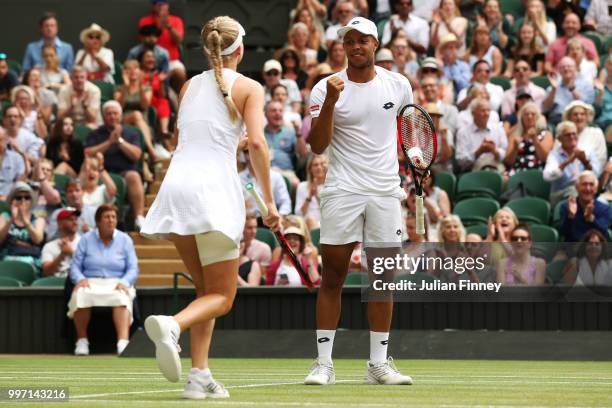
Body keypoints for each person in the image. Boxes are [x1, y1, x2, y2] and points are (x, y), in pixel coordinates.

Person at [140, 16, 280, 399]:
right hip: (213, 193)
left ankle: (199, 375)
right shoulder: (250, 87)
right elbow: (258, 145)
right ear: (241, 50)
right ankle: (172, 324)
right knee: (224, 296)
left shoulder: (187, 87)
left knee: (205, 290)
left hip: (176, 189)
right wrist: (269, 202)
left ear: (208, 49)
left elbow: (198, 135)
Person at [305, 16, 413, 386]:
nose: (355, 46)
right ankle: (323, 364)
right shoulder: (324, 89)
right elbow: (317, 145)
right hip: (342, 190)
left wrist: (417, 163)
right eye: (349, 41)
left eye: (362, 40)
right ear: (343, 47)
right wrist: (333, 101)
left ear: (375, 44)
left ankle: (378, 365)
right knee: (332, 276)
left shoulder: (398, 85)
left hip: (385, 190)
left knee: (383, 279)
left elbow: (410, 132)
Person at [68, 204, 138, 356]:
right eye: (107, 217)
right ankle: (82, 341)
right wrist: (80, 279)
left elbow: (133, 268)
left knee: (121, 297)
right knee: (80, 295)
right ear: (98, 221)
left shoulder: (125, 239)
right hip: (90, 281)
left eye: (113, 217)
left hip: (117, 282)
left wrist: (124, 282)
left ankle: (123, 342)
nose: (111, 220)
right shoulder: (86, 239)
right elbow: (74, 266)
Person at [84, 101, 146, 229]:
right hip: (101, 172)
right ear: (104, 116)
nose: (112, 116)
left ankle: (139, 218)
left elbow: (136, 155)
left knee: (134, 176)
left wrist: (119, 141)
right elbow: (88, 152)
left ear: (121, 115)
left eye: (115, 113)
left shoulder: (131, 132)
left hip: (125, 171)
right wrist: (109, 142)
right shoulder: (96, 133)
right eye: (108, 114)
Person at [544, 121, 598, 206]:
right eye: (567, 135)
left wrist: (585, 161)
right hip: (561, 193)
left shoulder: (587, 151)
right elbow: (547, 176)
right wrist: (568, 161)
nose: (572, 137)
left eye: (574, 134)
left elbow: (596, 175)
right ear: (559, 138)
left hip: (585, 191)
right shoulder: (554, 155)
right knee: (574, 192)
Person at [138, 0, 187, 93]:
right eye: (157, 4)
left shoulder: (176, 20)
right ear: (153, 6)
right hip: (150, 60)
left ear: (168, 6)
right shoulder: (145, 20)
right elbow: (144, 39)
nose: (161, 6)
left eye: (163, 3)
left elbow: (178, 40)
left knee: (180, 73)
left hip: (171, 61)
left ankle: (179, 98)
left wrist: (169, 26)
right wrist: (159, 22)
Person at [114, 59, 157, 161]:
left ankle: (145, 161)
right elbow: (120, 106)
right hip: (124, 121)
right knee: (136, 114)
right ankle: (152, 152)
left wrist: (141, 86)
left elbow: (144, 106)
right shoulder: (118, 88)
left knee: (138, 116)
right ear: (124, 72)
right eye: (128, 68)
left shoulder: (146, 88)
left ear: (140, 71)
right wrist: (126, 86)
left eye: (135, 68)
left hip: (142, 123)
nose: (132, 71)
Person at [0, 182, 46, 270]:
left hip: (30, 260)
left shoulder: (39, 220)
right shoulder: (4, 217)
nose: (23, 201)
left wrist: (26, 221)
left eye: (27, 197)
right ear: (12, 200)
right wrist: (11, 220)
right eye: (18, 197)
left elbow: (38, 240)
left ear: (31, 201)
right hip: (7, 259)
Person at [455, 98, 507, 172]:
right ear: (473, 113)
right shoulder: (463, 132)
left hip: (496, 168)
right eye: (483, 111)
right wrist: (478, 152)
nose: (486, 114)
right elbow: (461, 161)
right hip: (473, 172)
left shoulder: (498, 129)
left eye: (488, 110)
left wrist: (494, 151)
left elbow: (505, 154)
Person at [264, 100, 307, 187]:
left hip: (285, 172)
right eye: (274, 110)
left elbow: (303, 153)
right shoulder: (260, 133)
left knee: (296, 185)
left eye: (280, 110)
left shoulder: (290, 132)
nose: (277, 113)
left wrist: (298, 133)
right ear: (266, 114)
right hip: (265, 172)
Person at [542, 57, 595, 127]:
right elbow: (546, 108)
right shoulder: (553, 86)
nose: (566, 69)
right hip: (558, 121)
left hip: (580, 120)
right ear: (559, 71)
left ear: (575, 69)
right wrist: (554, 89)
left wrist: (573, 89)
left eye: (569, 66)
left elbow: (588, 105)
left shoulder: (586, 85)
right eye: (563, 67)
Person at [560, 171, 610, 242]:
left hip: (595, 250)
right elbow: (564, 233)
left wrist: (591, 219)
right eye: (584, 184)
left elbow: (603, 232)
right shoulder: (566, 206)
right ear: (577, 187)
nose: (588, 188)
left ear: (596, 189)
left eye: (591, 185)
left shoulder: (605, 209)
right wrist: (571, 216)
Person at [504, 102, 553, 176]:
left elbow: (544, 158)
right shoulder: (514, 136)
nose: (529, 117)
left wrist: (535, 140)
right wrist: (515, 148)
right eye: (526, 114)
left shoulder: (546, 134)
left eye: (533, 114)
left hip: (538, 171)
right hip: (517, 171)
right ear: (521, 118)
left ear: (538, 117)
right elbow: (508, 162)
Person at [562, 101, 606, 171]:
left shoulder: (596, 133)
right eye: (575, 114)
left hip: (590, 176)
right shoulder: (562, 134)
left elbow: (601, 158)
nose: (579, 117)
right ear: (569, 117)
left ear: (586, 117)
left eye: (582, 114)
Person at [139, 49, 172, 136]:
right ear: (141, 60)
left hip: (155, 101)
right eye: (148, 57)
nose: (151, 59)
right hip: (142, 100)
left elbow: (162, 95)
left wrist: (160, 82)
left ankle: (164, 131)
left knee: (164, 101)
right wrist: (150, 80)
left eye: (153, 57)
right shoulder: (137, 73)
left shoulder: (157, 74)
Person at [2, 105, 45, 171]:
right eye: (9, 116)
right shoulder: (1, 134)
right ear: (4, 120)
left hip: (23, 172)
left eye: (15, 116)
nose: (12, 119)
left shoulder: (29, 137)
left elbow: (35, 161)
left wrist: (18, 151)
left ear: (20, 119)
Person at [41, 207, 81, 277]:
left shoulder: (85, 242)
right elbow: (47, 273)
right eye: (71, 220)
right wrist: (62, 255)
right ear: (60, 224)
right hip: (56, 285)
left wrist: (71, 252)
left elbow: (93, 267)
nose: (75, 222)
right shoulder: (49, 246)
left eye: (76, 219)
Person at [295, 154, 327, 230]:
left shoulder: (331, 187)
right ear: (310, 169)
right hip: (306, 223)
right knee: (310, 220)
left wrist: (316, 196)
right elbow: (299, 213)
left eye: (322, 164)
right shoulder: (302, 186)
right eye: (315, 165)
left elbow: (329, 212)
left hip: (326, 222)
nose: (319, 167)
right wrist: (309, 196)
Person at [0, 127, 26, 200]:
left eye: (0, 140)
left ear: (7, 140)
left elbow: (20, 181)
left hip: (9, 198)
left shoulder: (17, 158)